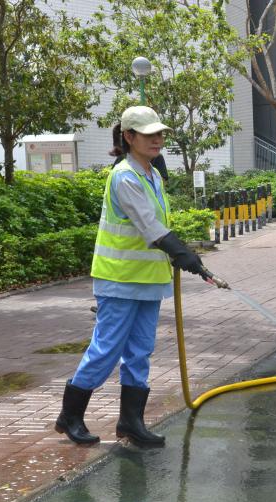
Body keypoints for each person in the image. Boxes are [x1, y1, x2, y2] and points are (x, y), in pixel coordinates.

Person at [56, 106, 215, 448]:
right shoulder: (124, 177)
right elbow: (149, 225)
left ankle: (131, 422)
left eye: (160, 134)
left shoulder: (151, 175)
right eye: (149, 135)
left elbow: (157, 223)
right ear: (129, 137)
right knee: (107, 350)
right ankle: (70, 415)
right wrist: (180, 251)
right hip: (119, 279)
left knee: (141, 350)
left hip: (148, 280)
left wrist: (179, 251)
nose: (157, 140)